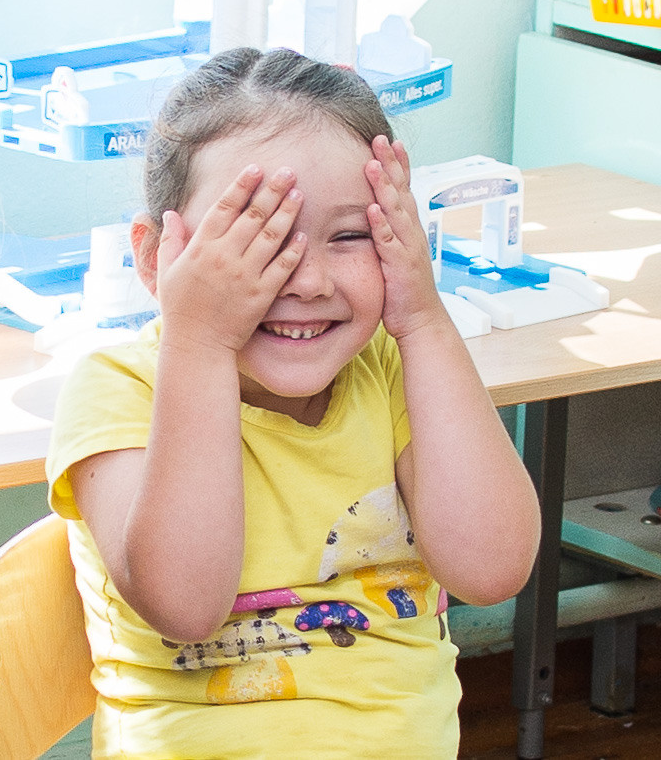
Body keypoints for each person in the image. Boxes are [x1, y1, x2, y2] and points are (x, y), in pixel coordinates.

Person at [45, 47, 541, 757]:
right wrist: (202, 343)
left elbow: (491, 569)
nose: (304, 280)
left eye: (349, 236)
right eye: (255, 239)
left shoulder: (395, 370)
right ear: (156, 258)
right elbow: (184, 605)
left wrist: (423, 318)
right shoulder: (120, 387)